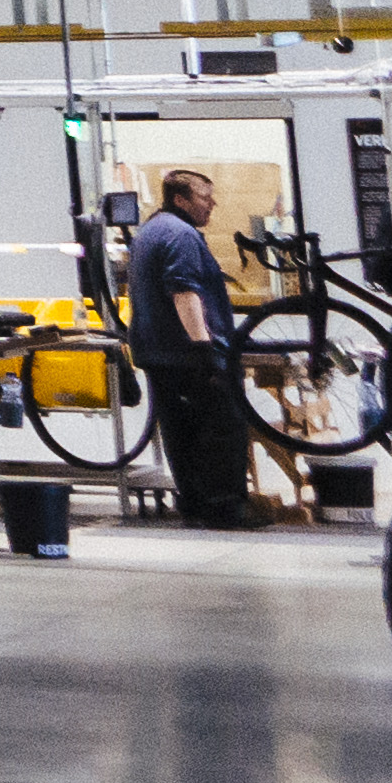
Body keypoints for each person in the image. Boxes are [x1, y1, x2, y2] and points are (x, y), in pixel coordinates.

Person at [125, 173, 268, 527]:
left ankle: (194, 506)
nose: (212, 203)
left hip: (159, 354)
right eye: (204, 196)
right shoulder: (181, 235)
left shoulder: (151, 230)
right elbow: (183, 292)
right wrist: (203, 348)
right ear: (180, 199)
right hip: (187, 355)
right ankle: (225, 509)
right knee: (221, 428)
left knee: (181, 433)